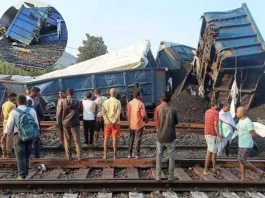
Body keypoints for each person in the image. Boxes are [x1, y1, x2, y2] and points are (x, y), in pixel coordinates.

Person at [3, 95, 39, 179]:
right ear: (26, 101)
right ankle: (25, 173)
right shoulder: (32, 110)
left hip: (18, 136)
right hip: (30, 135)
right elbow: (36, 124)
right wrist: (36, 135)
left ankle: (22, 175)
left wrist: (4, 136)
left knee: (20, 156)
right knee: (27, 155)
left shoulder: (14, 112)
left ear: (17, 102)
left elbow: (9, 126)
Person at [154, 91, 178, 181]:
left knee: (159, 156)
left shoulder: (157, 109)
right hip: (170, 136)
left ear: (162, 99)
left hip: (160, 136)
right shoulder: (173, 109)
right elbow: (176, 122)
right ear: (170, 99)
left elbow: (156, 123)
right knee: (171, 156)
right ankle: (171, 176)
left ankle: (158, 176)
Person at [236, 107, 264, 181]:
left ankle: (258, 172)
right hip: (241, 143)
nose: (236, 113)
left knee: (243, 160)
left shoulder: (248, 122)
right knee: (240, 160)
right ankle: (243, 178)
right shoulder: (240, 120)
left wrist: (249, 137)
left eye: (237, 112)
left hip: (246, 144)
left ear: (242, 113)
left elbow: (254, 134)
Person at [59, 88, 82, 160]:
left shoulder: (63, 101)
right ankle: (79, 156)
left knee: (67, 140)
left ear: (67, 93)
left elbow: (60, 113)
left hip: (65, 123)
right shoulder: (78, 102)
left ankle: (69, 156)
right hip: (75, 123)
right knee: (77, 140)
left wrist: (60, 122)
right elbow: (81, 111)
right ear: (73, 93)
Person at [126, 90, 148, 159]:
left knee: (131, 138)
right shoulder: (140, 104)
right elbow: (143, 115)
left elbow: (127, 113)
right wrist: (146, 119)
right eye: (141, 95)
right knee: (137, 139)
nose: (141, 96)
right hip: (138, 124)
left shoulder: (129, 103)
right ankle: (137, 154)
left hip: (131, 123)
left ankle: (129, 154)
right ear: (138, 96)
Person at [203, 100, 222, 175]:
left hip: (207, 133)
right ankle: (205, 170)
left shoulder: (207, 111)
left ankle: (214, 168)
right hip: (212, 134)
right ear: (215, 105)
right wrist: (219, 135)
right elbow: (216, 125)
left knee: (214, 152)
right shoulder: (216, 112)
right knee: (210, 152)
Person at [102, 88, 121, 159]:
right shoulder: (118, 102)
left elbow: (103, 113)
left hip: (107, 123)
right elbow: (118, 113)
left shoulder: (105, 102)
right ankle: (115, 156)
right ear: (115, 94)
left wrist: (108, 121)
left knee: (106, 138)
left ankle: (105, 155)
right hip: (115, 123)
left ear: (110, 94)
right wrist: (113, 122)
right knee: (114, 138)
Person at [26, 87, 44, 158]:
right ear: (35, 92)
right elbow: (27, 112)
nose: (39, 94)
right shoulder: (29, 100)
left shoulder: (32, 99)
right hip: (31, 123)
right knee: (34, 139)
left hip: (32, 123)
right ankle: (35, 155)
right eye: (38, 92)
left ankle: (35, 154)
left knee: (34, 139)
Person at [1, 93, 17, 158]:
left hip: (4, 121)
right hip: (10, 121)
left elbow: (1, 115)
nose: (15, 99)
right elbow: (14, 115)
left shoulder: (3, 104)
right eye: (14, 97)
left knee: (4, 137)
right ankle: (9, 153)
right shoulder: (13, 105)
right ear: (10, 97)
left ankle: (4, 152)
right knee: (9, 138)